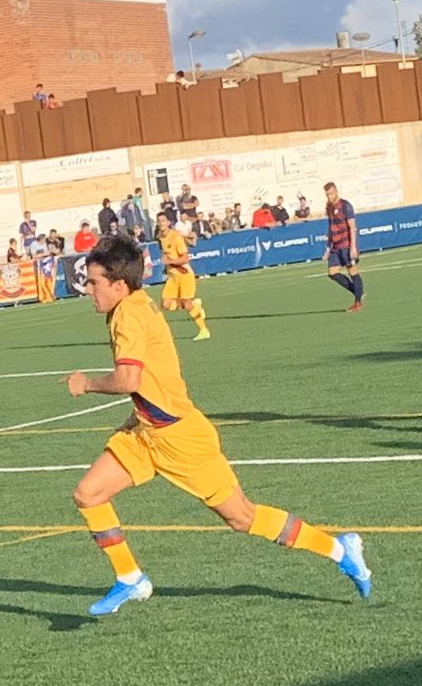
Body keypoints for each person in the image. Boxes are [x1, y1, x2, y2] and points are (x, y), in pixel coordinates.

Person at [62, 235, 371, 617]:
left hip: (180, 438)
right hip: (146, 432)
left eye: (93, 282)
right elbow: (154, 376)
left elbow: (128, 380)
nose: (87, 290)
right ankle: (131, 579)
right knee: (88, 494)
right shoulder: (133, 304)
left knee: (242, 517)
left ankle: (341, 550)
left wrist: (86, 383)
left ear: (119, 285)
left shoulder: (129, 313)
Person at [156, 211, 210, 341]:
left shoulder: (176, 237)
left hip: (184, 274)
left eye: (163, 221)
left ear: (169, 222)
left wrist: (169, 262)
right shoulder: (160, 237)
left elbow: (185, 258)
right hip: (173, 277)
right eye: (159, 221)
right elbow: (167, 254)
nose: (161, 223)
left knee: (186, 304)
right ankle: (195, 306)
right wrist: (167, 267)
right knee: (166, 304)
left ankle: (204, 330)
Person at [322, 183, 366, 312]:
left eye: (331, 194)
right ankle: (358, 292)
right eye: (327, 195)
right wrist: (327, 248)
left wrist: (353, 247)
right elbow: (331, 228)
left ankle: (358, 302)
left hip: (346, 245)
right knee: (332, 273)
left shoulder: (345, 205)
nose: (329, 197)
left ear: (336, 192)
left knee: (352, 271)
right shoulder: (329, 207)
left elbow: (352, 227)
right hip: (335, 246)